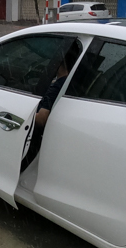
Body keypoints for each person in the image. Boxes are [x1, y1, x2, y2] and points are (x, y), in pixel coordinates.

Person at [21, 42, 82, 170]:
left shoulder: (57, 87)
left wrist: (22, 114)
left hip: (35, 138)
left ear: (58, 63)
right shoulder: (71, 82)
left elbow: (42, 119)